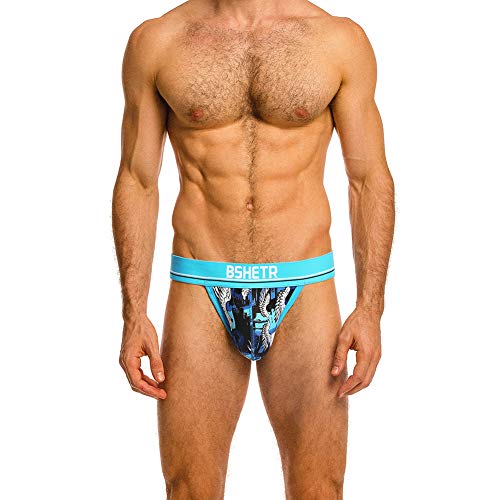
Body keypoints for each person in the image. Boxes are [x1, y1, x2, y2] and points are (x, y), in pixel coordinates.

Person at [112, 0, 395, 498]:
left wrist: (370, 309)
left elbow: (368, 179)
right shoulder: (157, 41)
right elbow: (138, 180)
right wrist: (134, 313)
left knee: (319, 489)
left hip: (305, 284)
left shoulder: (338, 40)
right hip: (202, 281)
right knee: (189, 489)